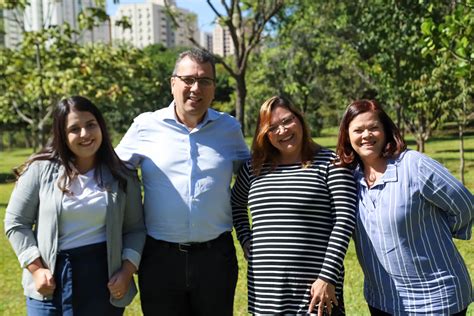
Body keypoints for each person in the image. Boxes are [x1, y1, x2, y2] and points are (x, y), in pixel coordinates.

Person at [115, 48, 250, 315]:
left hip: (216, 258)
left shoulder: (229, 129)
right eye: (188, 79)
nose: (195, 88)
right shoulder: (145, 126)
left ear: (213, 89)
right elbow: (111, 170)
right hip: (159, 258)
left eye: (205, 81)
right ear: (173, 84)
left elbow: (255, 174)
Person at [4, 96, 146, 315]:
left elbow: (135, 229)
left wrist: (127, 272)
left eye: (90, 125)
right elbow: (16, 222)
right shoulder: (40, 169)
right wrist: (36, 269)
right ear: (62, 135)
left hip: (103, 278)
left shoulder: (122, 175)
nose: (85, 134)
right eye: (74, 129)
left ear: (101, 126)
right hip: (51, 280)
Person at [336, 99, 473, 315]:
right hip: (383, 300)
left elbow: (464, 204)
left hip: (436, 300)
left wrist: (438, 232)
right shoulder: (349, 180)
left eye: (374, 128)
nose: (366, 135)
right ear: (347, 136)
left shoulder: (414, 165)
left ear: (386, 130)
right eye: (358, 130)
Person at [231, 96, 357, 315]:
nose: (282, 130)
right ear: (265, 134)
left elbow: (345, 219)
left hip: (316, 289)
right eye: (273, 127)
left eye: (287, 121)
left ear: (300, 120)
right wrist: (245, 239)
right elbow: (236, 205)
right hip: (266, 290)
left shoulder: (330, 163)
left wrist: (327, 277)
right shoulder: (254, 168)